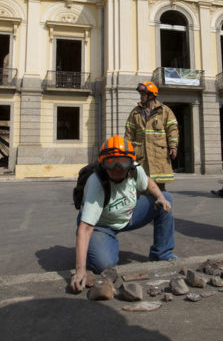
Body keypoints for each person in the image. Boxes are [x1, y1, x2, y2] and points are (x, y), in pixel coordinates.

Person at [69, 136, 175, 292]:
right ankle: (105, 243)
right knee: (103, 265)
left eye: (122, 163)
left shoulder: (134, 170)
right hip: (101, 225)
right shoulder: (96, 182)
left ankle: (163, 253)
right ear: (102, 164)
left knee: (166, 198)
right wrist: (80, 270)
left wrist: (160, 197)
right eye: (111, 163)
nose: (117, 169)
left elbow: (148, 183)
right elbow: (85, 228)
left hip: (128, 215)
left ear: (131, 163)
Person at [124, 81, 179, 190]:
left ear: (151, 95)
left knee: (160, 189)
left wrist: (173, 146)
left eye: (143, 94)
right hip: (141, 156)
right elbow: (129, 133)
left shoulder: (164, 111)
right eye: (141, 94)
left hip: (158, 156)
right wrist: (127, 152)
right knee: (141, 187)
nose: (141, 96)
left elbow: (172, 129)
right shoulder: (135, 113)